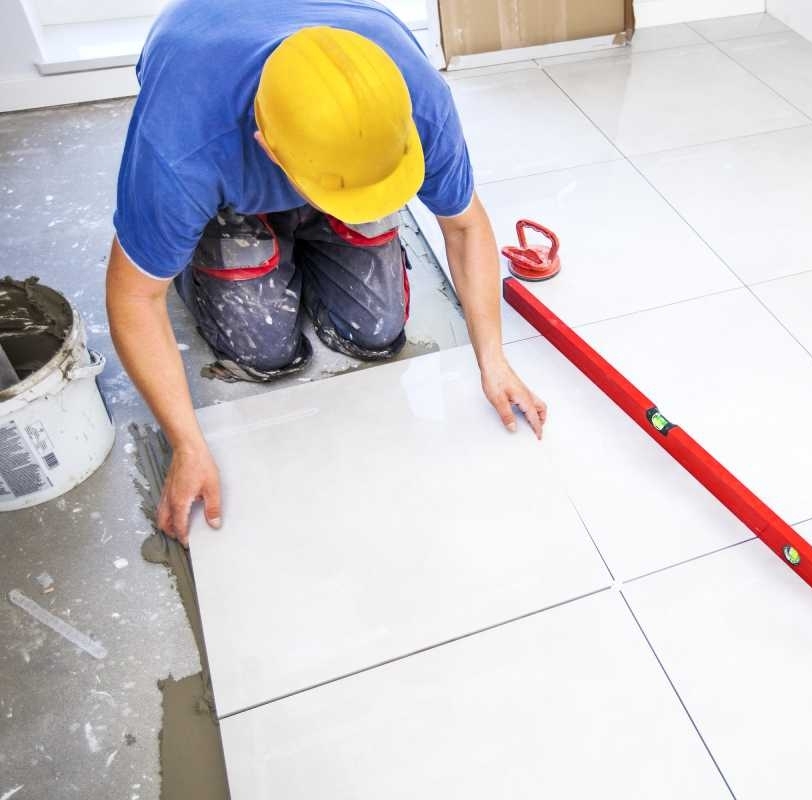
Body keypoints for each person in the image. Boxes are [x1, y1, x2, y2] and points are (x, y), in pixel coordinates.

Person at [105, 0, 546, 547]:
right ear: (267, 147)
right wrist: (187, 443)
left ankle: (321, 217)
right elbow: (133, 297)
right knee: (264, 349)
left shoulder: (410, 97)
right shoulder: (183, 143)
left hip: (328, 138)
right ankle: (215, 238)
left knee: (376, 331)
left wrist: (494, 360)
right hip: (225, 150)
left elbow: (464, 226)